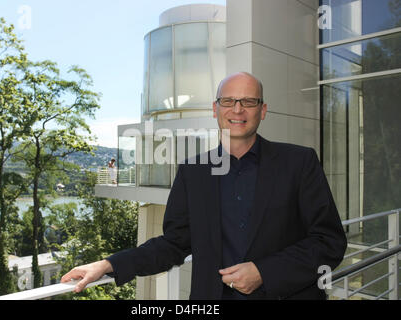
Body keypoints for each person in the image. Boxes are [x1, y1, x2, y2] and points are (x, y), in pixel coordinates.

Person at [61, 72, 347, 300]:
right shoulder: (192, 171)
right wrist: (108, 265)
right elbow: (174, 244)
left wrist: (264, 272)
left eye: (248, 101)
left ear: (263, 110)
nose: (237, 109)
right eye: (228, 101)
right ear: (215, 109)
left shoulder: (299, 162)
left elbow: (329, 242)